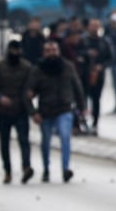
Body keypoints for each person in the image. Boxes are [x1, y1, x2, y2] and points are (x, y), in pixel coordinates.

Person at [25, 40, 86, 183]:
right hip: (45, 111)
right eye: (48, 50)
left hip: (64, 109)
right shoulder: (38, 70)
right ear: (44, 53)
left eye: (54, 50)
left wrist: (82, 107)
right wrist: (33, 112)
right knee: (46, 142)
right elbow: (28, 93)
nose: (52, 53)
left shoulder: (67, 67)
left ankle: (65, 169)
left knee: (65, 137)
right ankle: (46, 169)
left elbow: (77, 87)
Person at [0, 40, 35, 185]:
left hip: (20, 109)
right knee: (4, 143)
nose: (15, 54)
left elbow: (30, 86)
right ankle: (7, 171)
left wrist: (30, 99)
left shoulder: (26, 67)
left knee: (24, 140)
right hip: (4, 111)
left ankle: (26, 167)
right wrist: (0, 98)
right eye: (13, 51)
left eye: (17, 51)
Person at [77, 18, 111, 135]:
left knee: (96, 100)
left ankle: (95, 124)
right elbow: (77, 53)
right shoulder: (83, 40)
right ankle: (83, 122)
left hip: (98, 76)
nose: (94, 28)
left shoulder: (104, 42)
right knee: (83, 100)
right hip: (84, 75)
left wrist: (102, 66)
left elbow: (111, 58)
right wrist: (86, 54)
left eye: (96, 26)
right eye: (92, 26)